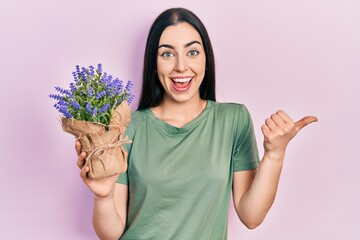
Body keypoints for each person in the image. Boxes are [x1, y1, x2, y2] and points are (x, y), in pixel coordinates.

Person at [75, 7, 317, 240]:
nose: (181, 66)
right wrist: (103, 197)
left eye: (192, 52)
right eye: (167, 54)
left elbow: (251, 216)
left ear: (206, 59)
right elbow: (111, 234)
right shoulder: (128, 126)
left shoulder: (233, 120)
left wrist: (275, 154)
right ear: (154, 62)